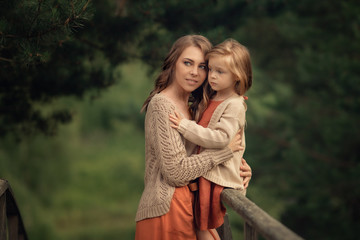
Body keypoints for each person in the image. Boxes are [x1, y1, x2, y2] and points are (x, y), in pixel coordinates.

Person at [135, 35, 252, 240]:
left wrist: (236, 169)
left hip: (192, 206)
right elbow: (176, 172)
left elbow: (205, 151)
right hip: (167, 209)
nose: (194, 72)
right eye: (187, 63)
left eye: (203, 66)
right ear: (173, 63)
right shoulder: (162, 105)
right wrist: (224, 153)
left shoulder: (195, 107)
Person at [169, 38, 253, 240]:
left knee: (205, 226)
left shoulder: (234, 105)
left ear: (237, 77)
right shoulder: (211, 97)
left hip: (214, 178)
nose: (212, 76)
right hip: (204, 172)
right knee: (201, 225)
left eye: (220, 72)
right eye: (211, 69)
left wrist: (184, 126)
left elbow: (221, 139)